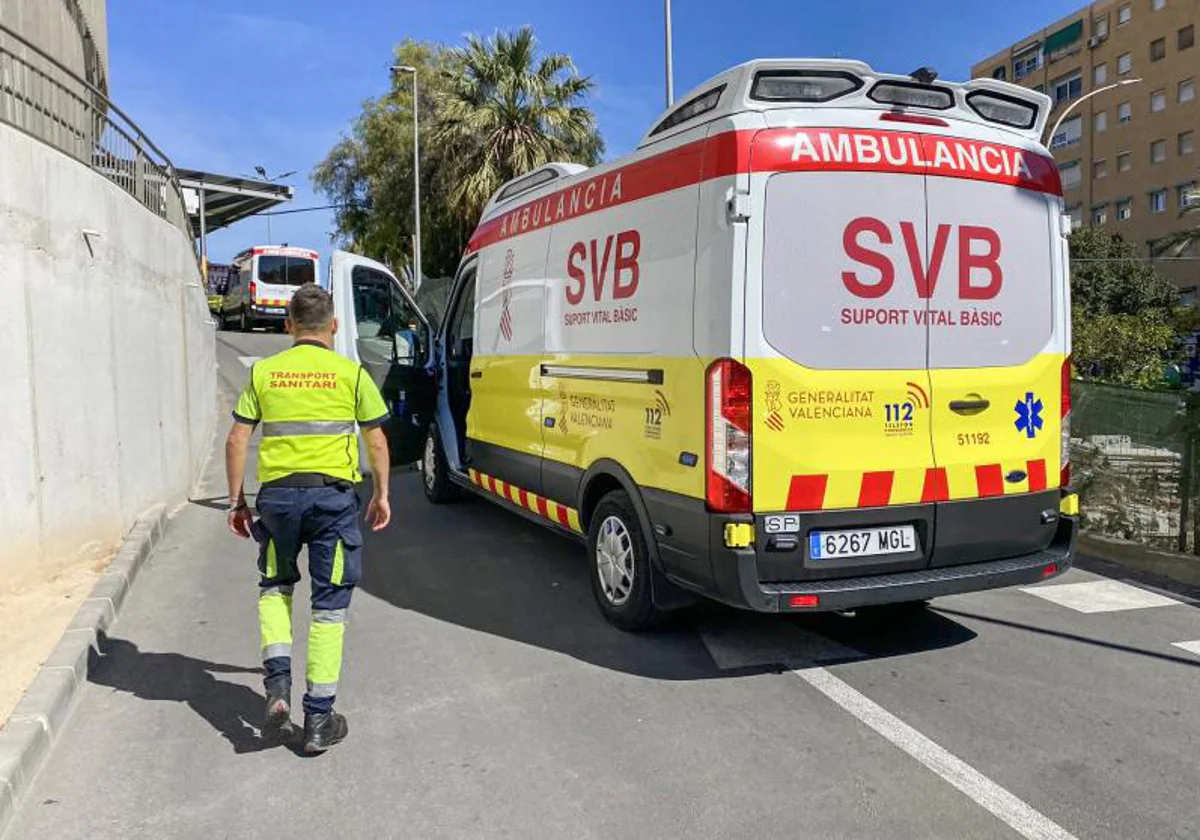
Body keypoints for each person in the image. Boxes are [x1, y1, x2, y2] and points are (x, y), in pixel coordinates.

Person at [224, 283, 391, 754]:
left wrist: (237, 503)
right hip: (332, 503)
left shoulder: (266, 373)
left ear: (289, 326)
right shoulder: (351, 374)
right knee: (329, 608)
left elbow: (237, 440)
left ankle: (277, 692)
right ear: (333, 327)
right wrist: (381, 495)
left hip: (277, 502)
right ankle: (318, 719)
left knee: (275, 588)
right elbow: (376, 442)